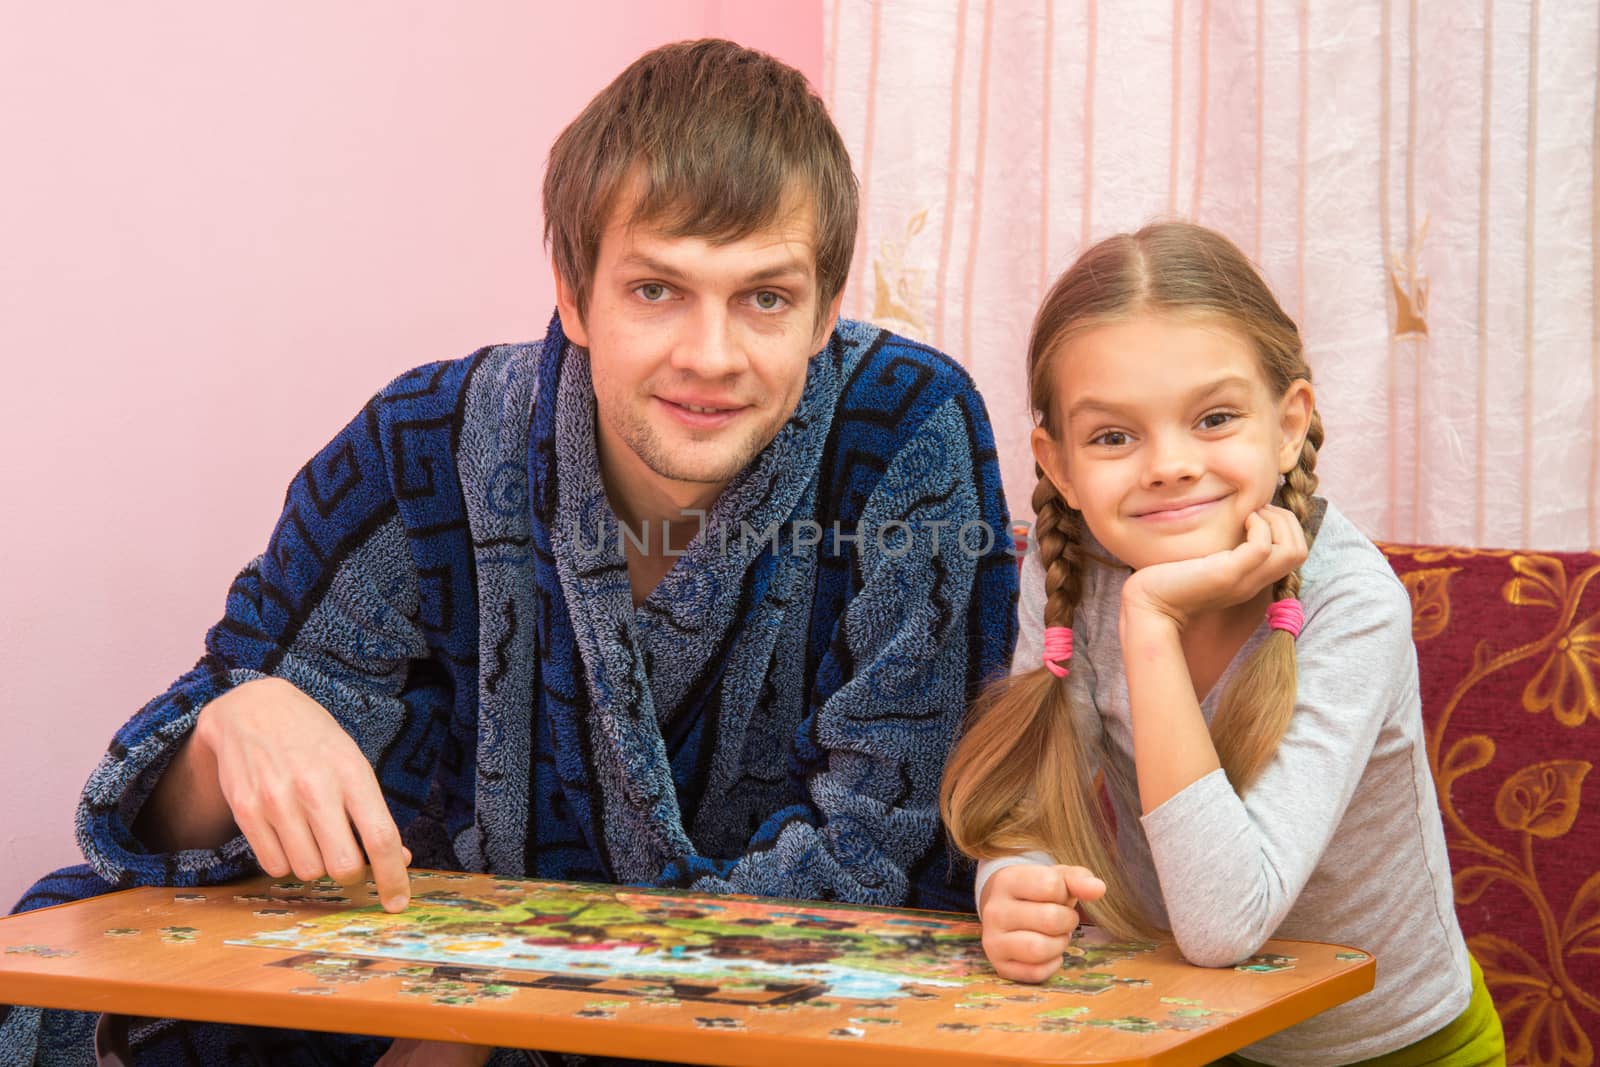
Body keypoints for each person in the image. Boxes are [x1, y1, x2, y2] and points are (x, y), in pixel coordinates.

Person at [3, 39, 1017, 1065]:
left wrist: (501, 1028)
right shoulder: (429, 442)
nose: (711, 354)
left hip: (749, 1021)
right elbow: (184, 845)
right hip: (411, 996)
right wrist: (231, 728)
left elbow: (894, 853)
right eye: (656, 290)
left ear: (824, 313)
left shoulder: (903, 436)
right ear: (574, 297)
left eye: (764, 296)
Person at [939, 221, 1504, 1065]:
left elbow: (1225, 921)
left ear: (1288, 423)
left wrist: (1152, 621)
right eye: (1113, 436)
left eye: (1213, 418)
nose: (1168, 464)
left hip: (1392, 1047)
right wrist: (1009, 883)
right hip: (1188, 1033)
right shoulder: (1072, 571)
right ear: (1057, 464)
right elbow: (1032, 794)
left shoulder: (1351, 602)